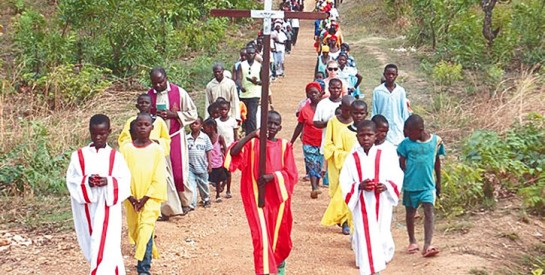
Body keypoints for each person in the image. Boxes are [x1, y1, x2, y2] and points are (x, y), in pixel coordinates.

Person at [226, 111, 298, 275]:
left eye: (275, 124)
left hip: (278, 199)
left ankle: (279, 267)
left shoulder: (285, 146)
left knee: (279, 234)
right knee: (261, 237)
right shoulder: (252, 144)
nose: (271, 127)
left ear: (280, 127)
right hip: (256, 197)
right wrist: (252, 134)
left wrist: (272, 177)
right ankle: (263, 271)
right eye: (268, 123)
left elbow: (292, 174)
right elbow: (234, 152)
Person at [66, 114, 131, 275]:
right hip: (86, 207)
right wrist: (87, 182)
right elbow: (72, 180)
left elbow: (124, 181)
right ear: (90, 132)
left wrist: (108, 181)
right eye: (95, 133)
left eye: (102, 133)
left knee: (106, 243)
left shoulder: (116, 157)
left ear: (109, 132)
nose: (98, 137)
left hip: (107, 207)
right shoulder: (78, 156)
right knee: (92, 244)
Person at [340, 120, 404, 275]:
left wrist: (386, 186)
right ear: (357, 137)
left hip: (381, 203)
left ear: (376, 136)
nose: (366, 138)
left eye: (369, 135)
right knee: (364, 237)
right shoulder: (352, 158)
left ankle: (379, 267)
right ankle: (369, 271)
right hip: (361, 203)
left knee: (380, 235)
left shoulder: (385, 155)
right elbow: (345, 181)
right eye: (362, 135)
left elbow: (397, 174)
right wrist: (358, 186)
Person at [118, 94, 182, 221]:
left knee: (157, 183)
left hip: (154, 158)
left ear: (151, 105)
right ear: (137, 105)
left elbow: (166, 139)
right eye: (141, 103)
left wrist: (156, 143)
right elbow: (123, 139)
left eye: (146, 103)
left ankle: (156, 214)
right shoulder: (131, 122)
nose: (143, 105)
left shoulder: (159, 122)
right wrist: (133, 144)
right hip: (136, 159)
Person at [121, 113, 167, 275]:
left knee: (146, 229)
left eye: (146, 125)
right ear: (133, 127)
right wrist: (130, 197)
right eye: (139, 125)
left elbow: (159, 176)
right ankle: (143, 259)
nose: (142, 128)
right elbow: (122, 174)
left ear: (151, 128)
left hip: (150, 199)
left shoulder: (157, 150)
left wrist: (146, 198)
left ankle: (143, 268)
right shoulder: (126, 150)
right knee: (136, 230)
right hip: (131, 197)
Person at [148, 67, 198, 214]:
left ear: (166, 78)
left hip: (175, 135)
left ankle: (185, 202)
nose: (157, 86)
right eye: (154, 83)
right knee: (162, 175)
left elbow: (193, 113)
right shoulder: (149, 95)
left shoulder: (179, 92)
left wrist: (174, 115)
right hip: (157, 140)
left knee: (178, 173)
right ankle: (168, 208)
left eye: (160, 82)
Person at [398, 114, 445, 258]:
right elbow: (401, 161)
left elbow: (437, 161)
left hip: (428, 186)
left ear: (420, 130)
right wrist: (407, 174)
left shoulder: (436, 141)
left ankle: (427, 244)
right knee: (410, 213)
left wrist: (438, 182)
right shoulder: (406, 144)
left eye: (408, 131)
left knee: (429, 211)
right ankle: (412, 240)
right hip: (411, 186)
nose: (406, 134)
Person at [320, 96, 361, 235]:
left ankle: (347, 223)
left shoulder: (360, 127)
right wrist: (341, 155)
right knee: (339, 192)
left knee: (349, 192)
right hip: (337, 164)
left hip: (355, 166)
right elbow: (328, 144)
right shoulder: (333, 121)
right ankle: (343, 219)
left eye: (352, 110)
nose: (348, 113)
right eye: (346, 109)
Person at [290, 82, 324, 199]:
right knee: (311, 163)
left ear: (321, 94)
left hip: (323, 141)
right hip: (308, 141)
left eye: (316, 92)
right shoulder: (304, 110)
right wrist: (292, 141)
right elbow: (299, 126)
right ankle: (314, 188)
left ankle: (316, 185)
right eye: (311, 93)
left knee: (319, 164)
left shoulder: (325, 107)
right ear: (307, 95)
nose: (313, 95)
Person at [372, 64, 410, 146]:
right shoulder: (378, 91)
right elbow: (375, 111)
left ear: (397, 75)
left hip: (397, 127)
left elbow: (404, 111)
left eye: (393, 74)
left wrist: (406, 127)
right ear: (384, 74)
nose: (390, 76)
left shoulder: (400, 91)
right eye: (388, 74)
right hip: (382, 128)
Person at [186, 117, 213, 208]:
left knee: (204, 184)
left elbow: (208, 150)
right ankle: (192, 204)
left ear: (201, 125)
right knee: (191, 186)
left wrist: (210, 163)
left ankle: (206, 199)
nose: (194, 125)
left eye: (196, 123)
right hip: (190, 167)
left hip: (202, 166)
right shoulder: (186, 138)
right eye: (192, 123)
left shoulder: (205, 138)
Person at [236, 46, 262, 135]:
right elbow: (238, 78)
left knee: (252, 117)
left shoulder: (259, 66)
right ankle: (246, 134)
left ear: (255, 55)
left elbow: (263, 81)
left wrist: (256, 82)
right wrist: (240, 86)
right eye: (248, 53)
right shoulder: (241, 65)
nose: (250, 55)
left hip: (254, 94)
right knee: (244, 116)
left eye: (252, 53)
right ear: (246, 55)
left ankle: (252, 135)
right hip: (244, 94)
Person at [216, 100, 238, 198]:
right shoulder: (216, 122)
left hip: (229, 148)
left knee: (228, 169)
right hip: (219, 148)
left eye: (225, 109)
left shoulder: (232, 121)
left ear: (229, 110)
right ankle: (222, 183)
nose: (223, 111)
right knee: (220, 169)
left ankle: (228, 190)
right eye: (221, 109)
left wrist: (237, 145)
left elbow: (235, 134)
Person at [203, 118, 228, 202]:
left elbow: (225, 148)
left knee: (218, 180)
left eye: (205, 127)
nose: (204, 129)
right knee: (206, 180)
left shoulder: (219, 137)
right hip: (208, 162)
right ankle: (206, 196)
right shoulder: (205, 138)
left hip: (218, 162)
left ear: (211, 127)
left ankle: (218, 195)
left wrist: (226, 158)